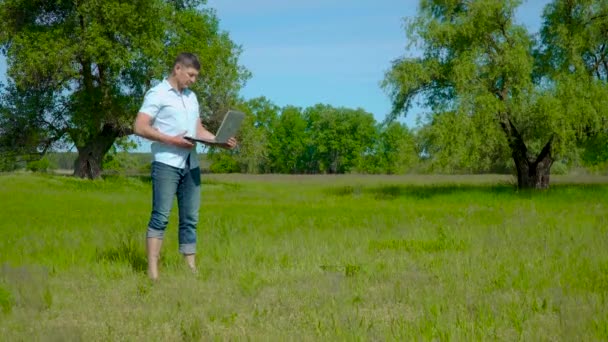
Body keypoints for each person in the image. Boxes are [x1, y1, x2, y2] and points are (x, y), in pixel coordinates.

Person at [133, 52, 237, 280]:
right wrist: (171, 140)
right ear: (177, 68)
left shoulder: (192, 97)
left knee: (190, 218)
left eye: (196, 76)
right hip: (166, 163)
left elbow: (198, 131)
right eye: (190, 74)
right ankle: (153, 272)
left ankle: (190, 269)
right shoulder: (157, 93)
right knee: (161, 216)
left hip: (191, 164)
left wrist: (220, 142)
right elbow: (139, 126)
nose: (193, 80)